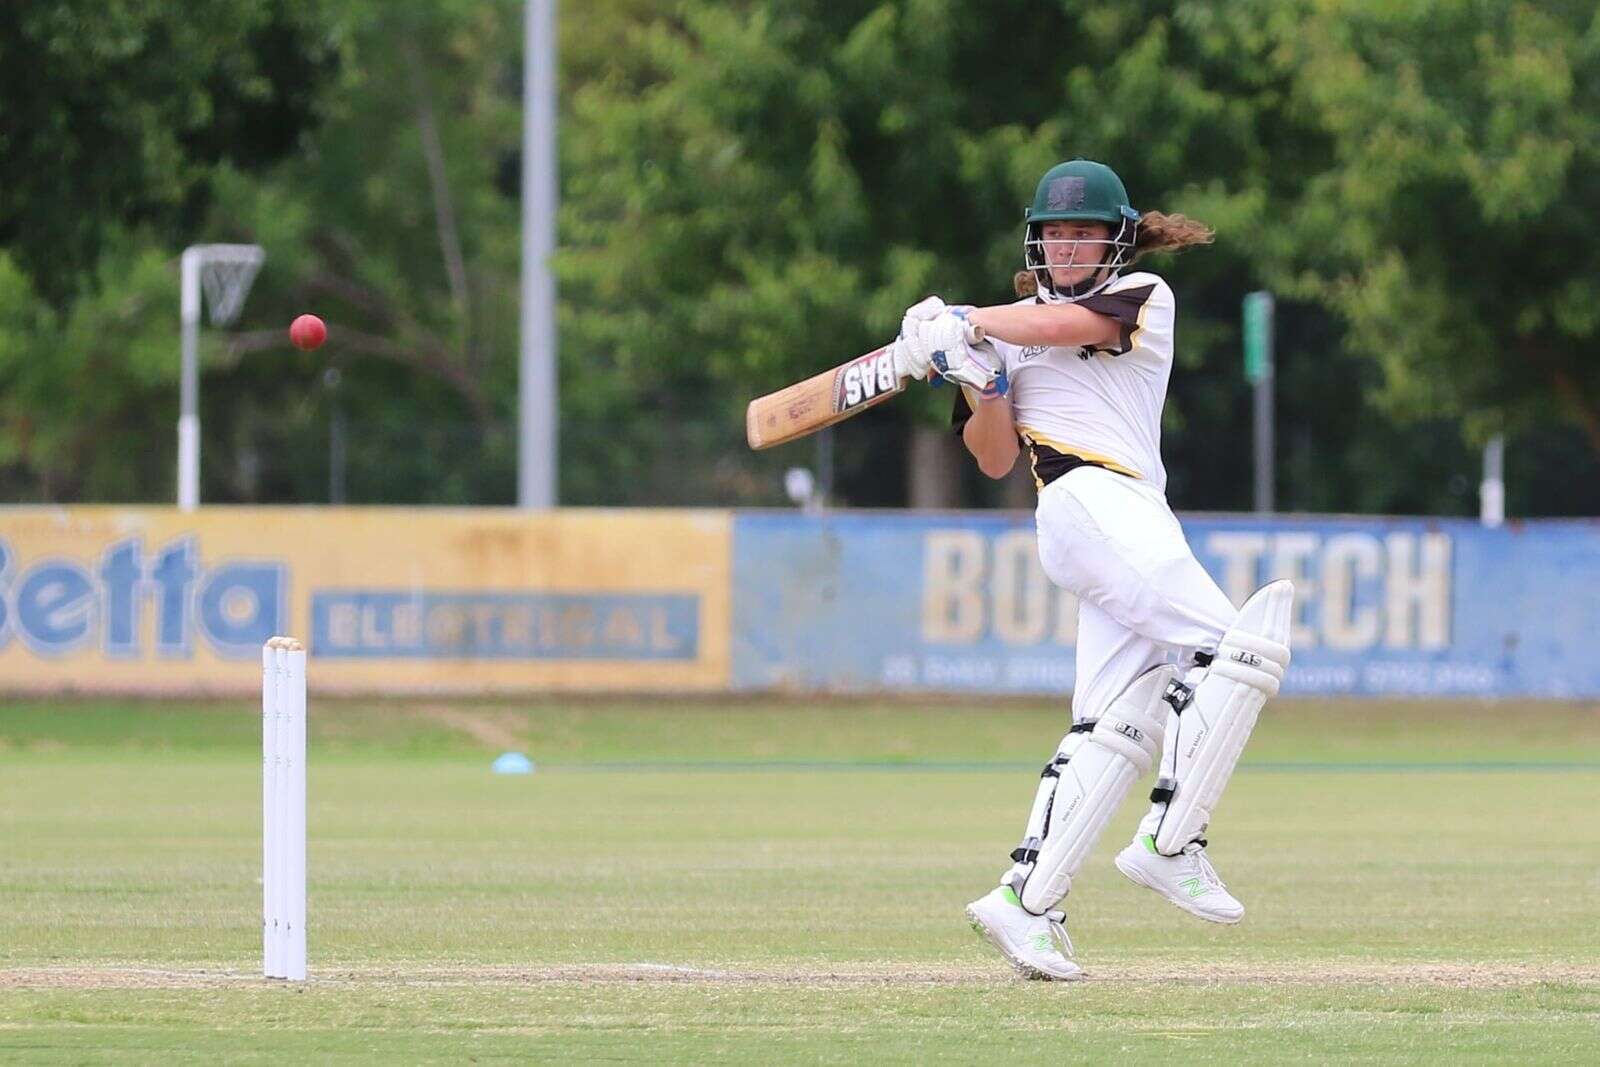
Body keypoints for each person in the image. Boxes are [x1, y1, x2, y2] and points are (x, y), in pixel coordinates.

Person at [889, 160, 1294, 981]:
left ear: (1115, 240)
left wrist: (963, 324)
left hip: (1130, 510)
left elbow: (1065, 328)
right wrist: (983, 377)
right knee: (1238, 649)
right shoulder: (999, 335)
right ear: (1036, 242)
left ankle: (1027, 899)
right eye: (1055, 233)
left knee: (1116, 721)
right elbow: (995, 455)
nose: (1069, 244)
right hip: (1084, 503)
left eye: (1084, 232)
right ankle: (1172, 841)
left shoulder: (1143, 297)